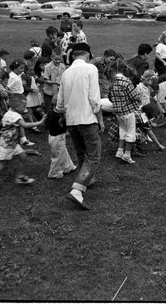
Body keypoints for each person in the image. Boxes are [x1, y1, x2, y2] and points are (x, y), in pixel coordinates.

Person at [56, 42, 105, 211]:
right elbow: (94, 97)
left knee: (81, 152)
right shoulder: (91, 69)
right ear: (88, 54)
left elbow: (60, 101)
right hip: (87, 119)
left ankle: (87, 179)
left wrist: (64, 116)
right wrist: (100, 118)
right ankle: (77, 190)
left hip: (71, 121)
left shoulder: (66, 73)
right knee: (94, 155)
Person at [0, 93, 46, 197]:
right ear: (16, 107)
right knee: (2, 166)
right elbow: (25, 125)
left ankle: (20, 177)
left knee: (23, 157)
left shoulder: (12, 113)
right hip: (7, 146)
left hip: (12, 143)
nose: (25, 108)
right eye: (23, 106)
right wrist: (40, 122)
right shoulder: (14, 116)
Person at [108, 59, 142, 164]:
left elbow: (110, 97)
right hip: (128, 111)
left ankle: (119, 150)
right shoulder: (126, 81)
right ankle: (127, 154)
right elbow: (134, 96)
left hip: (118, 112)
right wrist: (139, 95)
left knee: (122, 130)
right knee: (130, 132)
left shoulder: (113, 82)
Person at [46, 94, 77, 179]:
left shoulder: (52, 113)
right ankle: (54, 173)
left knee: (63, 151)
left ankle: (68, 167)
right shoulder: (58, 116)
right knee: (58, 155)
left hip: (57, 136)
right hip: (56, 137)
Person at [42, 48, 66, 114]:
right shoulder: (48, 67)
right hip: (49, 92)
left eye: (59, 59)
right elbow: (45, 79)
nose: (58, 61)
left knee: (58, 109)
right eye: (56, 59)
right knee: (49, 109)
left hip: (58, 92)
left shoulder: (63, 66)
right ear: (51, 57)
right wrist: (55, 82)